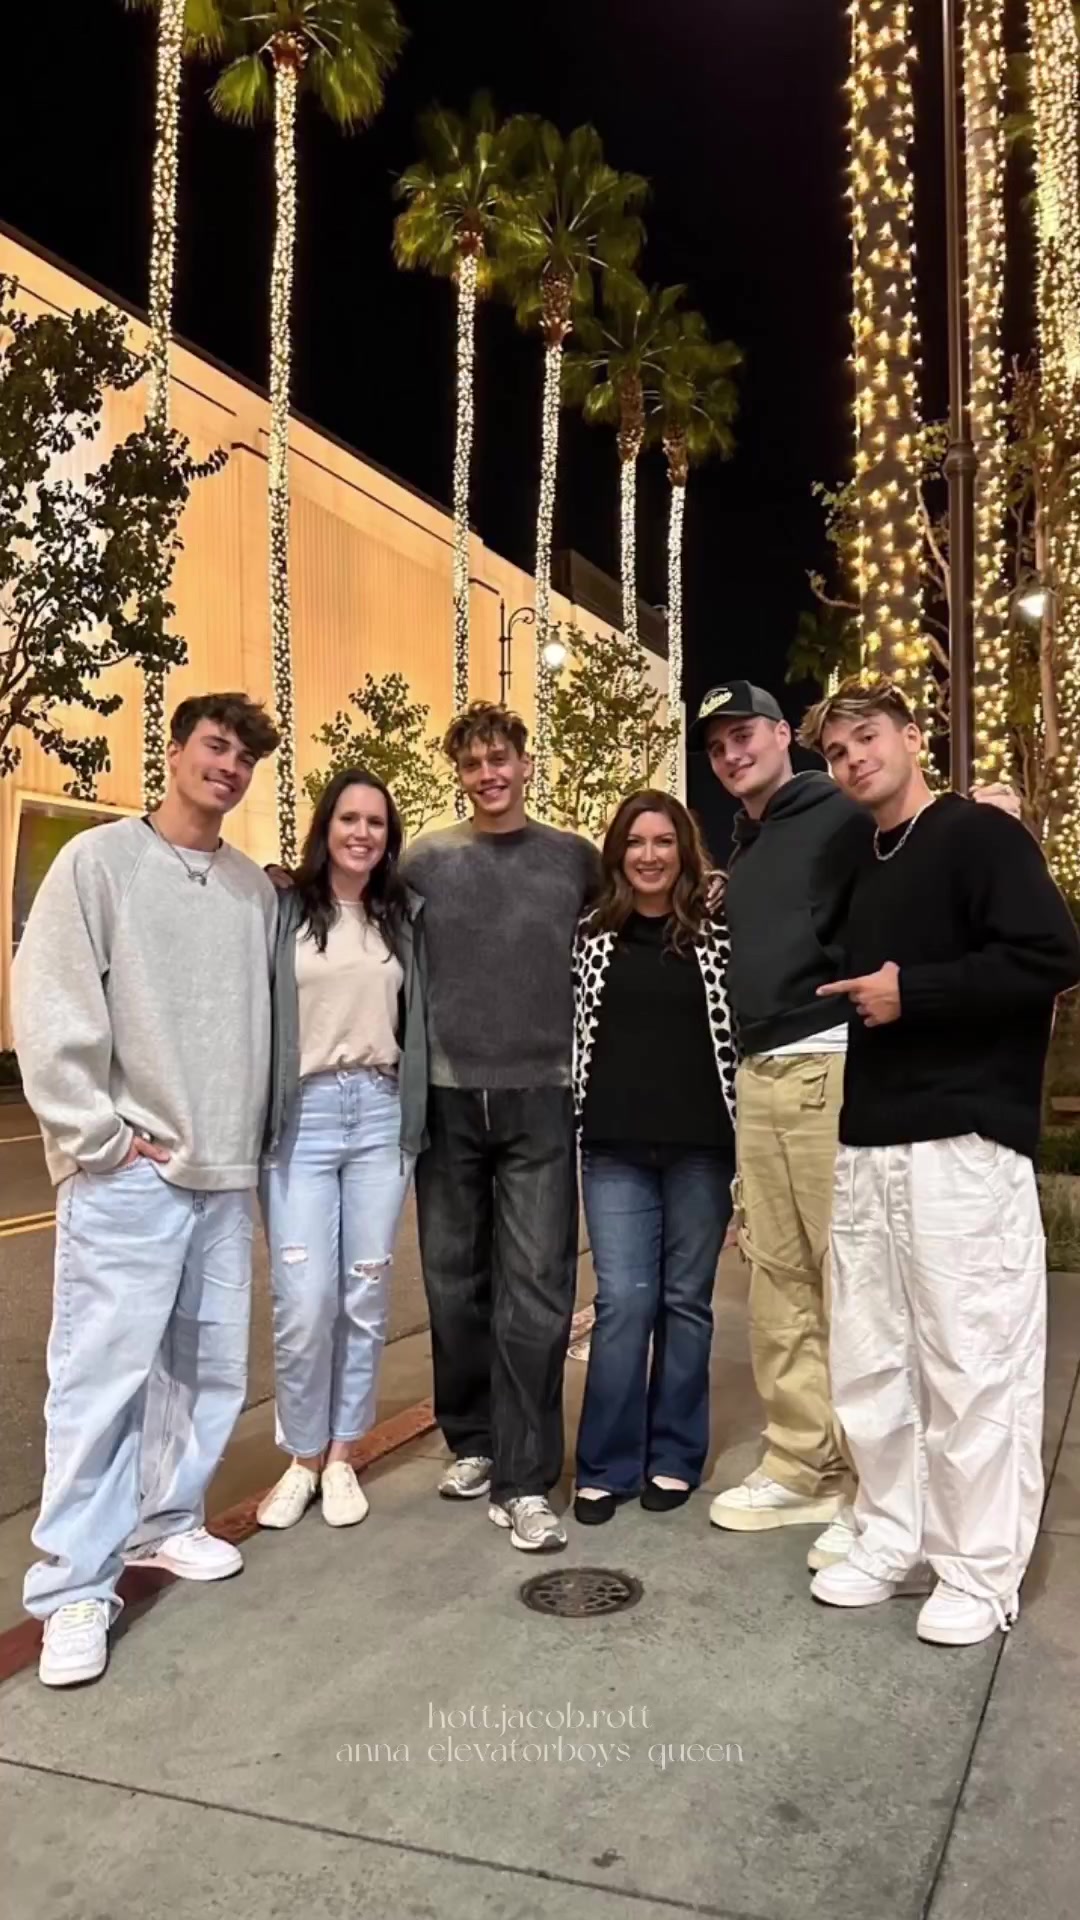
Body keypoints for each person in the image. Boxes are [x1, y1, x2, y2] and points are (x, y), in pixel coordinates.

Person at [694, 679, 1021, 1571]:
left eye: (745, 734)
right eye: (717, 746)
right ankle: (803, 1463)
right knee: (778, 1277)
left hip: (826, 1060)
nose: (732, 754)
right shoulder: (753, 840)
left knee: (851, 1283)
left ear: (781, 737)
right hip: (761, 1070)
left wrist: (985, 813)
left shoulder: (836, 808)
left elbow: (916, 838)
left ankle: (873, 1486)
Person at [800, 676, 1080, 1644]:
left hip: (963, 1136)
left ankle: (979, 1568)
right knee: (872, 1354)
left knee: (972, 1354)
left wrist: (912, 992)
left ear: (914, 736)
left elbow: (1052, 955)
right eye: (837, 753)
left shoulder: (980, 835)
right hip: (870, 1134)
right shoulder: (857, 856)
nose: (853, 761)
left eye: (867, 739)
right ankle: (894, 1534)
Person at [12, 692, 280, 1688]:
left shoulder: (251, 890)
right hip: (132, 1173)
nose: (229, 767)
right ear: (174, 751)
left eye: (244, 756)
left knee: (205, 1372)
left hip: (223, 1172)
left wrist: (249, 1143)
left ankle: (164, 1522)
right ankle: (73, 1588)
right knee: (100, 1383)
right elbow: (50, 1004)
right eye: (216, 746)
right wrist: (98, 1138)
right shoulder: (99, 864)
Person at [400, 700, 601, 1553]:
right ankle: (473, 1440)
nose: (488, 774)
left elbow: (636, 912)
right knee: (454, 1283)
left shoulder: (574, 859)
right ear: (460, 773)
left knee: (538, 1289)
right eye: (473, 763)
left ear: (525, 764)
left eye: (500, 759)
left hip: (541, 1095)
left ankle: (526, 1479)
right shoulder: (424, 861)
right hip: (448, 1095)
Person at [256, 769, 428, 1532]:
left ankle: (341, 1455)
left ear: (390, 839)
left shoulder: (402, 916)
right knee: (305, 1300)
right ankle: (300, 1457)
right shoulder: (283, 909)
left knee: (364, 1292)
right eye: (349, 818)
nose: (362, 833)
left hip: (380, 1115)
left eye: (377, 823)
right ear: (326, 825)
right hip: (304, 1116)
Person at [571, 792, 737, 1524]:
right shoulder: (590, 935)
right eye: (635, 842)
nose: (649, 855)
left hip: (702, 1148)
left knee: (685, 1302)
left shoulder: (716, 932)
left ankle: (674, 1455)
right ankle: (606, 1463)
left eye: (663, 841)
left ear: (683, 850)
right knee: (623, 1303)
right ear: (618, 852)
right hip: (614, 1149)